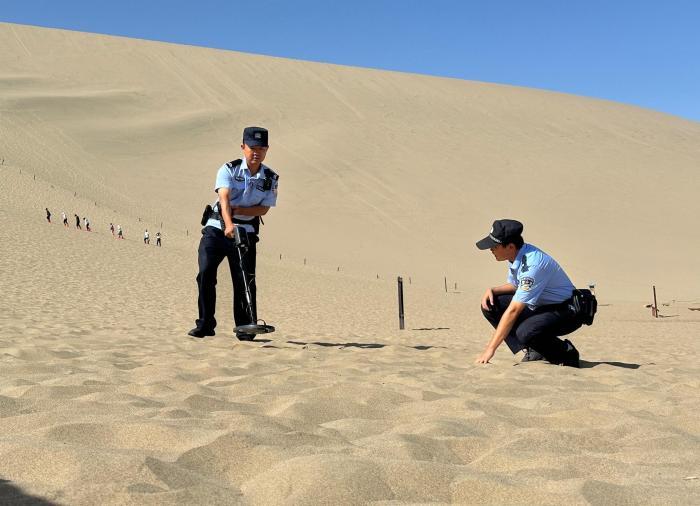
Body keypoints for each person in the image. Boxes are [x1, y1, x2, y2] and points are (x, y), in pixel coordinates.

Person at [189, 126, 279, 340]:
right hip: (217, 227)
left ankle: (246, 327)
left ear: (267, 150)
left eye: (262, 148)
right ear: (243, 147)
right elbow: (224, 200)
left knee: (245, 280)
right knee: (206, 273)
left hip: (246, 231)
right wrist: (229, 223)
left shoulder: (270, 177)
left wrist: (239, 212)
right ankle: (205, 324)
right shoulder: (229, 169)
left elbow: (263, 208)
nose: (256, 152)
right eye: (252, 147)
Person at [474, 219, 581, 368]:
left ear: (510, 246)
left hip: (567, 311)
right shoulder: (516, 255)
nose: (490, 249)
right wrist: (493, 290)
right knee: (491, 304)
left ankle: (566, 354)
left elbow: (514, 310)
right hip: (543, 307)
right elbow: (515, 285)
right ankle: (535, 349)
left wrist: (489, 350)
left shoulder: (532, 264)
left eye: (494, 246)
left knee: (525, 331)